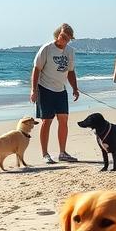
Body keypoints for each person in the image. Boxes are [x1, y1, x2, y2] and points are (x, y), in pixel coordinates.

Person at [31, 23, 80, 164]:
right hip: (45, 88)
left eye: (68, 38)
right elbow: (36, 69)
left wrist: (75, 88)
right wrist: (34, 90)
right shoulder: (47, 49)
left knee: (63, 119)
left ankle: (62, 152)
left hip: (60, 89)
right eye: (63, 37)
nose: (65, 40)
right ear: (57, 34)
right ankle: (45, 154)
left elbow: (70, 71)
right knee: (47, 121)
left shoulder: (70, 51)